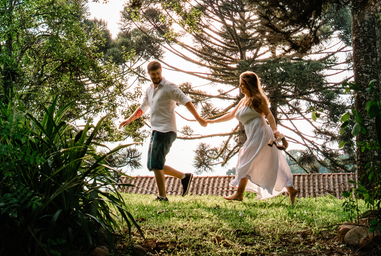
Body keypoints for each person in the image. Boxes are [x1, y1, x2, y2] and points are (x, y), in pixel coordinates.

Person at [119, 60, 207, 201]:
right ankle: (184, 177)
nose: (156, 76)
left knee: (156, 164)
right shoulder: (149, 89)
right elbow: (143, 107)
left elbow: (186, 101)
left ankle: (162, 196)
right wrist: (129, 120)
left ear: (161, 71)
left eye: (158, 73)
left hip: (166, 130)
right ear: (148, 74)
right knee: (152, 165)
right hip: (155, 130)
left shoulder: (169, 87)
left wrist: (199, 119)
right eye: (153, 74)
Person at [206, 71, 297, 204]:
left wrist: (275, 129)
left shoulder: (258, 99)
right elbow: (231, 115)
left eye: (243, 84)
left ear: (250, 85)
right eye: (240, 84)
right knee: (272, 164)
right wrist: (211, 121)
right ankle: (291, 189)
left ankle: (239, 193)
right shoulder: (244, 100)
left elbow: (269, 115)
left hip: (261, 134)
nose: (240, 87)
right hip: (253, 135)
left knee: (246, 160)